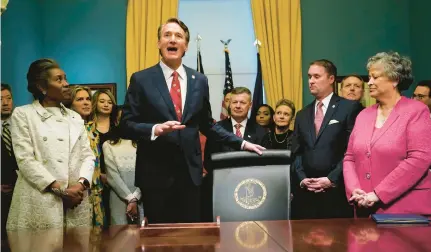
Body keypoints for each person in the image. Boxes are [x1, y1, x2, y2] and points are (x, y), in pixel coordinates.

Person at [120, 17, 264, 224]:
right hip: (156, 176)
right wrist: (155, 129)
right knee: (160, 240)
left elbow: (208, 124)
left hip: (190, 177)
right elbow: (126, 124)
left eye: (178, 36)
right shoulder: (141, 79)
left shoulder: (199, 80)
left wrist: (241, 142)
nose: (172, 40)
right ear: (159, 43)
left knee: (191, 236)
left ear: (186, 46)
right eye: (167, 35)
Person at [6, 59, 94, 250]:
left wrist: (80, 184)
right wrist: (61, 191)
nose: (66, 83)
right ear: (42, 86)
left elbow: (88, 155)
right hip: (39, 200)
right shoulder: (24, 114)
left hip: (75, 202)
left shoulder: (74, 117)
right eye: (59, 79)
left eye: (65, 78)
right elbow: (25, 159)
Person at [344, 52, 431, 217]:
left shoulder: (417, 111)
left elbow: (419, 158)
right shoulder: (363, 115)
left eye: (375, 77)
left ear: (395, 80)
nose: (369, 82)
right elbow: (349, 157)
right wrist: (354, 190)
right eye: (369, 77)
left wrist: (378, 194)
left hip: (405, 211)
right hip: (364, 210)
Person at [293, 59, 362, 219]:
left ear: (331, 79)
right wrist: (302, 178)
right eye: (309, 77)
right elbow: (296, 152)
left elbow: (352, 150)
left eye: (316, 76)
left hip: (336, 193)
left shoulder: (349, 107)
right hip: (306, 195)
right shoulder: (302, 114)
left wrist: (332, 178)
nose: (311, 81)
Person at [202, 87, 266, 221]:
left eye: (242, 102)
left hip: (251, 190)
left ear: (250, 104)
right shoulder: (216, 130)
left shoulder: (261, 131)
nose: (238, 106)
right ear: (228, 104)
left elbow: (264, 163)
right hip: (221, 188)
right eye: (234, 102)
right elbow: (209, 161)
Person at [87, 89, 118, 228]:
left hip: (117, 181)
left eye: (109, 102)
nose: (106, 104)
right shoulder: (87, 129)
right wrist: (98, 175)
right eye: (102, 101)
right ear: (95, 103)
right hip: (94, 182)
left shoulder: (119, 129)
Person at [103, 124, 144, 225]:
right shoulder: (108, 145)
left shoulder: (143, 143)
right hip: (118, 199)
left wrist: (135, 197)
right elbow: (112, 176)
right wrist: (130, 198)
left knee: (142, 237)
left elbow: (146, 173)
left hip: (141, 197)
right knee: (120, 236)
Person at [1, 83, 18, 246]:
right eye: (0, 99)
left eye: (8, 98)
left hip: (22, 192)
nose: (5, 103)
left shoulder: (22, 124)